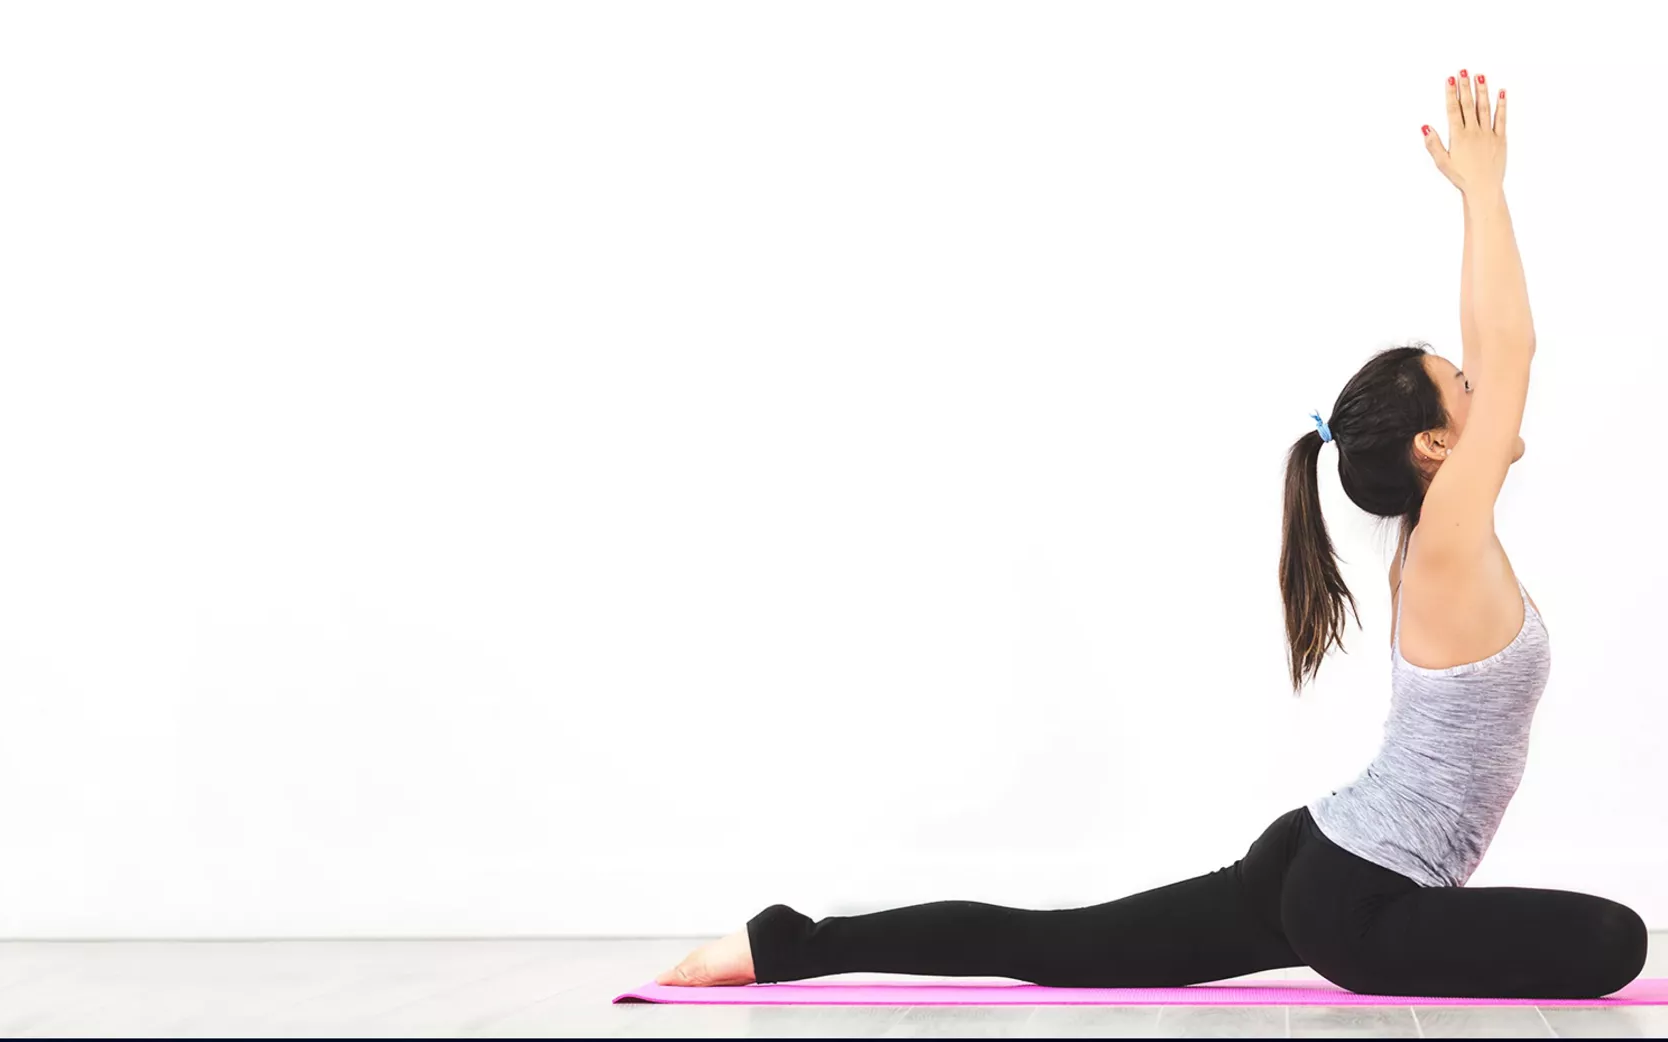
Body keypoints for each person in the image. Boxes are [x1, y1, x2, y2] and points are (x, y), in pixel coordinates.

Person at [655, 70, 1649, 1000]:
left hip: (1319, 858)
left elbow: (1492, 353)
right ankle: (791, 944)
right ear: (1435, 447)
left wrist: (1474, 203)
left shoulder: (1439, 537)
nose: (1485, 386)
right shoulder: (1442, 543)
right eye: (1464, 390)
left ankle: (785, 943)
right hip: (1359, 898)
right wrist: (1485, 190)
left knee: (1056, 948)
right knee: (1614, 942)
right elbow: (1509, 347)